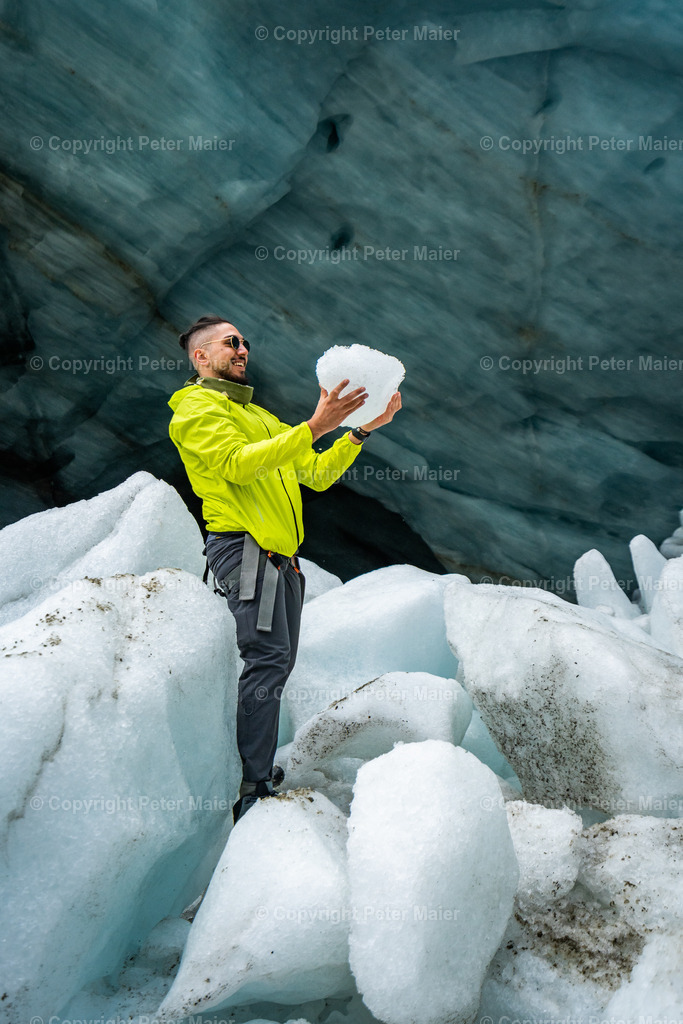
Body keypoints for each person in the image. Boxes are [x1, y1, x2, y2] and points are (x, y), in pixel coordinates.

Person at [168, 315, 402, 822]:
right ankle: (251, 788)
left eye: (245, 342)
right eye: (231, 343)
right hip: (245, 551)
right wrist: (314, 427)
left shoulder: (261, 417)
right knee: (268, 662)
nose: (242, 349)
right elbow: (234, 464)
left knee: (275, 664)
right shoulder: (194, 408)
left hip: (282, 561)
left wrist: (358, 432)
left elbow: (314, 475)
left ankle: (255, 771)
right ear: (200, 356)